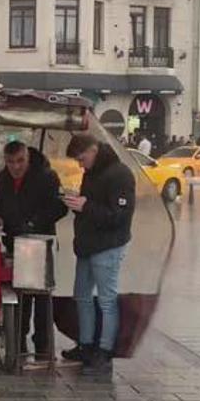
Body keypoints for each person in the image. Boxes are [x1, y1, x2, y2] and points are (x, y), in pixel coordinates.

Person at [62, 134, 136, 376]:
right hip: (87, 245)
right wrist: (78, 204)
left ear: (94, 150)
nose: (80, 165)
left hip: (108, 246)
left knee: (106, 299)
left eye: (82, 159)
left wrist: (86, 206)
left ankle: (105, 351)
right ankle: (86, 345)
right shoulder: (92, 173)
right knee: (82, 296)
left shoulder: (120, 174)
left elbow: (119, 216)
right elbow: (93, 205)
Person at [0, 141, 69, 360]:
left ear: (28, 158)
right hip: (15, 244)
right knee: (19, 298)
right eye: (10, 162)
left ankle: (43, 348)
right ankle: (18, 343)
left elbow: (59, 206)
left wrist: (34, 223)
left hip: (40, 245)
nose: (15, 167)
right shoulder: (2, 178)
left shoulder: (46, 177)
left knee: (42, 300)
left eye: (20, 161)